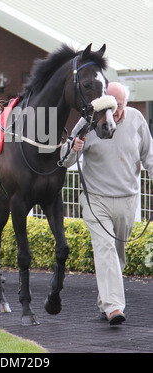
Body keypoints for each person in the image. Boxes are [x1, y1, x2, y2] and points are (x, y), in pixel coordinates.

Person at [60, 82, 153, 325]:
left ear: (126, 104)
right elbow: (64, 160)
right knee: (105, 249)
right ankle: (114, 307)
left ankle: (106, 300)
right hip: (96, 200)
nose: (115, 113)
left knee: (116, 256)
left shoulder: (136, 120)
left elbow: (149, 156)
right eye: (110, 106)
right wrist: (73, 147)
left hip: (127, 199)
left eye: (119, 106)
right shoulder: (88, 122)